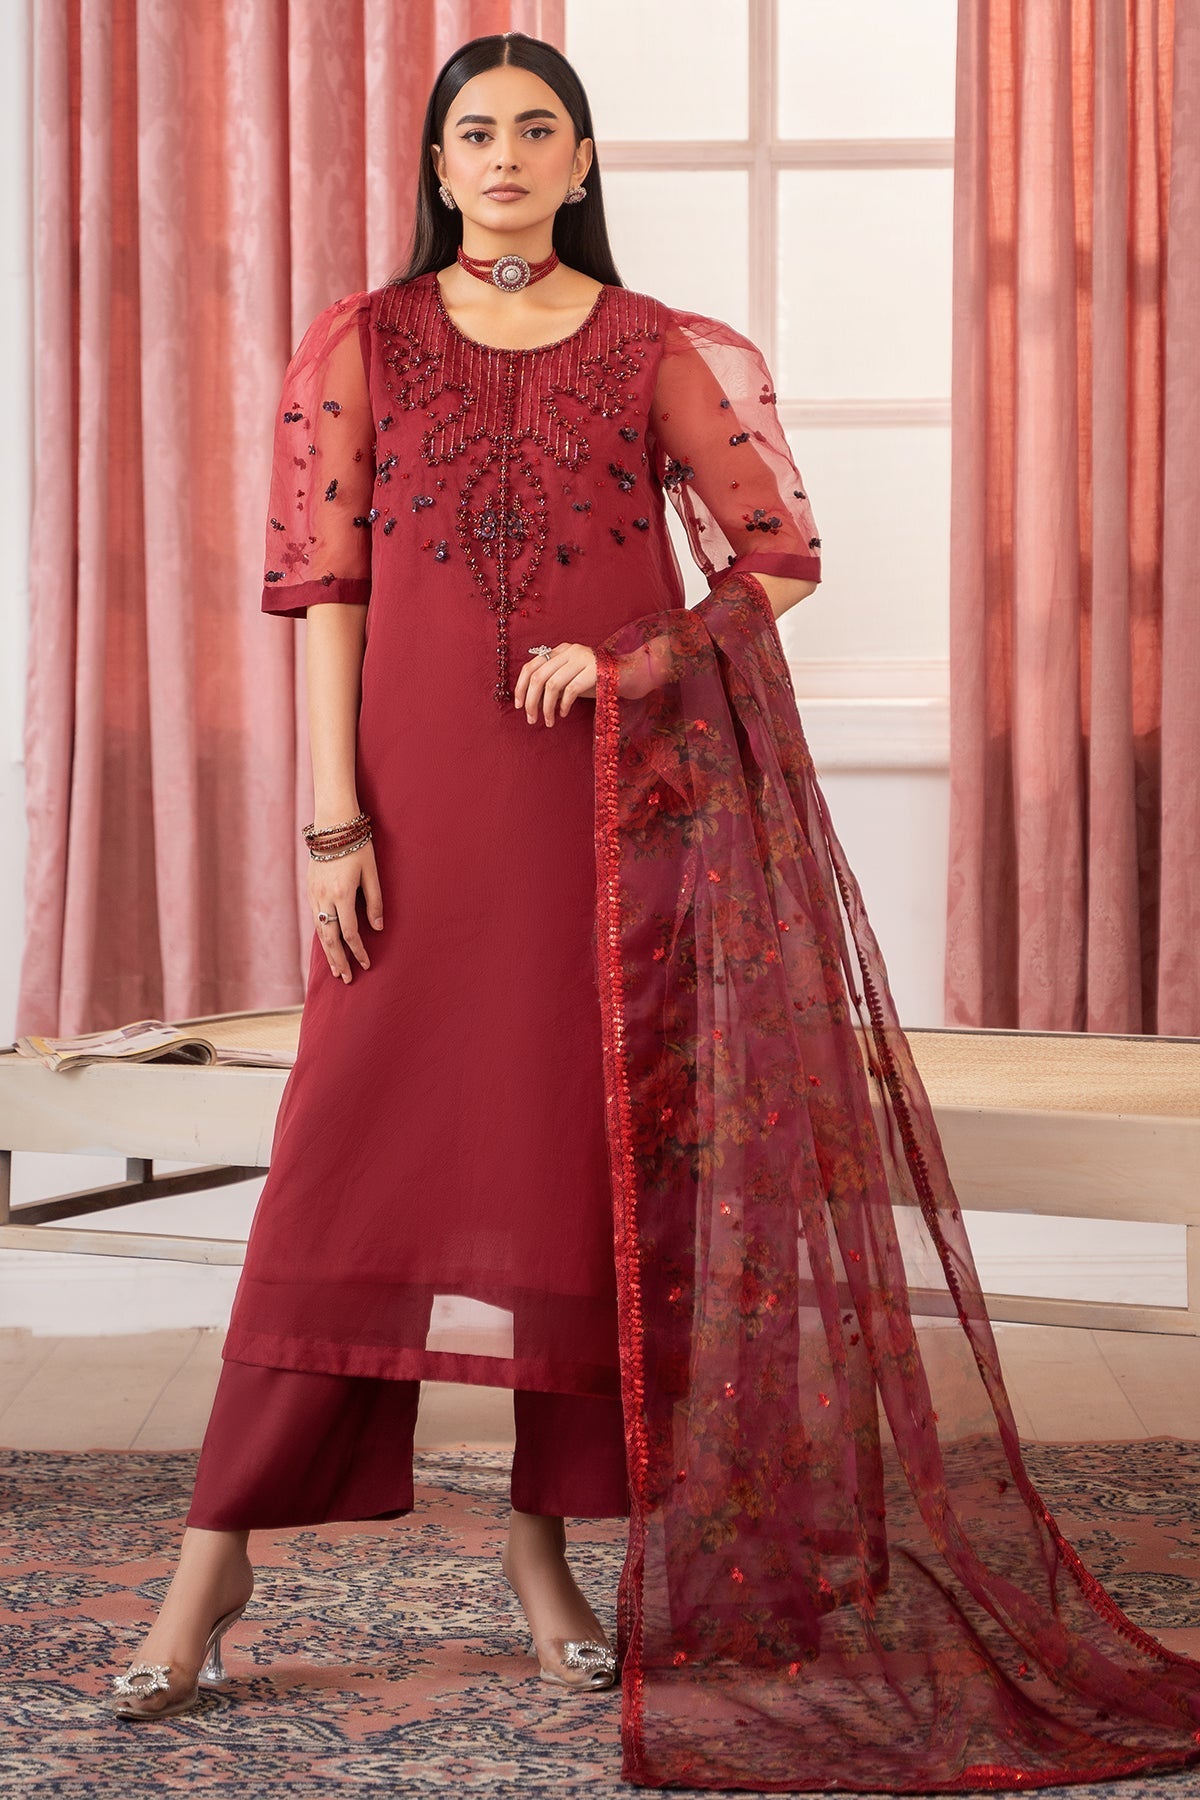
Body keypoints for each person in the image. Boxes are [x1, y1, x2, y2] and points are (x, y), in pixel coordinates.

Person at [104, 29, 1200, 1797]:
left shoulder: (647, 347)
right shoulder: (363, 342)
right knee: (336, 1170)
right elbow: (324, 590)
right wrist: (330, 822)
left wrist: (639, 658)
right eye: (477, 131)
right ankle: (207, 1573)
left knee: (573, 1179)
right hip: (413, 820)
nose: (506, 155)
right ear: (439, 164)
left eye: (538, 129)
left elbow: (777, 555)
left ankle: (543, 1557)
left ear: (582, 159)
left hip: (609, 821)